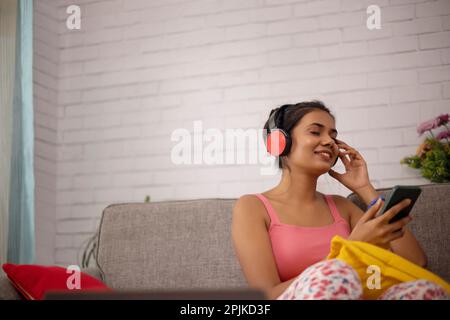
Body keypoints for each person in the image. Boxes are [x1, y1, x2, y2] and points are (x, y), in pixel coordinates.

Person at [231, 101, 449, 300]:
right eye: (315, 132)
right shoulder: (252, 207)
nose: (328, 141)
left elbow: (415, 262)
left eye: (333, 136)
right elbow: (266, 295)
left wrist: (364, 188)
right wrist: (352, 249)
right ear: (280, 143)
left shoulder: (342, 207)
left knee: (423, 290)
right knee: (331, 276)